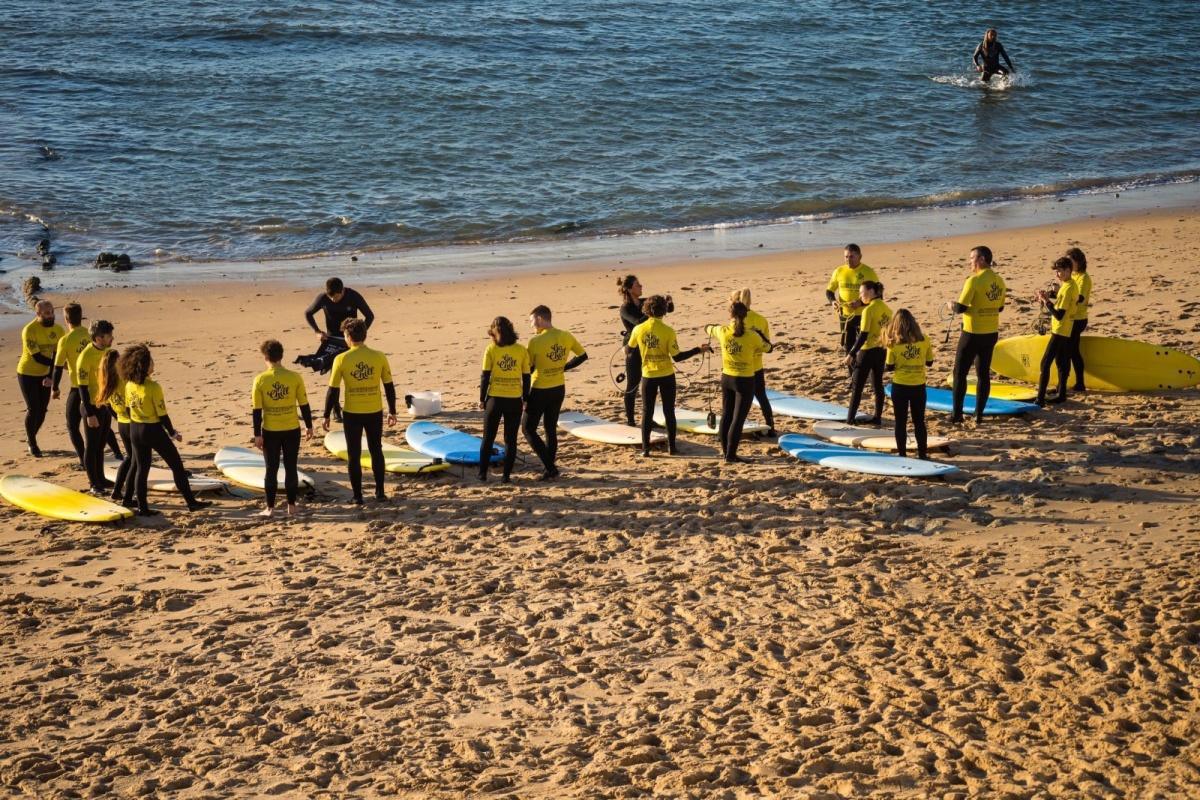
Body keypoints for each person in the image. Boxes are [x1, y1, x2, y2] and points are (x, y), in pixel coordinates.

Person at [119, 344, 212, 516]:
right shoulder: (153, 387)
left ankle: (142, 508)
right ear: (144, 366)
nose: (154, 363)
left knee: (141, 468)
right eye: (151, 361)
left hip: (135, 428)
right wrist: (172, 433)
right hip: (152, 430)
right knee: (176, 465)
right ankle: (191, 503)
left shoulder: (129, 385)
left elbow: (127, 409)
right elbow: (162, 415)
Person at [323, 318, 397, 504]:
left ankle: (357, 496)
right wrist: (392, 410)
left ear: (347, 336)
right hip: (374, 411)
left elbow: (333, 390)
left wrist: (326, 415)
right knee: (376, 450)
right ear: (365, 335)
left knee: (354, 454)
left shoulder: (341, 359)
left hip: (352, 414)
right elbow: (388, 386)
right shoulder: (379, 356)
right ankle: (380, 493)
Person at [628, 296, 709, 457]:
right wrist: (698, 350)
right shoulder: (668, 331)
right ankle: (672, 448)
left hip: (648, 375)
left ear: (647, 310)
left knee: (647, 411)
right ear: (664, 311)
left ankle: (645, 449)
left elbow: (630, 349)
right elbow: (677, 357)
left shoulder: (638, 329)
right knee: (668, 411)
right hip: (666, 376)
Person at [523, 306, 588, 480]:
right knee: (549, 428)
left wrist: (523, 394)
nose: (531, 325)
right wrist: (563, 367)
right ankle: (549, 467)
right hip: (558, 387)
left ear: (539, 319)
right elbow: (582, 356)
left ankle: (550, 467)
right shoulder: (566, 335)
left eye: (531, 321)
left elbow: (529, 369)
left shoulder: (535, 342)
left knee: (528, 428)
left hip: (540, 389)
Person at [252, 340, 314, 517]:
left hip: (270, 431)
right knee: (291, 467)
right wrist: (309, 426)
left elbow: (257, 411)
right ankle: (292, 506)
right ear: (282, 356)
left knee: (271, 469)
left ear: (265, 357)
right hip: (292, 429)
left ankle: (270, 508)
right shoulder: (294, 377)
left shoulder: (260, 380)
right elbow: (304, 404)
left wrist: (257, 434)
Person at [947, 246, 1007, 424]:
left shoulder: (973, 281)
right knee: (983, 374)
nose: (969, 261)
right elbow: (1000, 307)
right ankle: (978, 414)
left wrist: (951, 304)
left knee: (960, 373)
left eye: (971, 258)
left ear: (981, 259)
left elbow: (961, 308)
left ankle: (957, 415)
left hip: (972, 334)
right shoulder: (999, 280)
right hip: (991, 333)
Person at [706, 302, 771, 463]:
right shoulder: (752, 336)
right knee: (738, 419)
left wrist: (712, 327)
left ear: (730, 315)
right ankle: (731, 455)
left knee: (726, 415)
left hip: (727, 378)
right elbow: (769, 348)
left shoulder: (722, 331)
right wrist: (760, 334)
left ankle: (725, 452)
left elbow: (707, 327)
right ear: (745, 316)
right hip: (745, 381)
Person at [305, 278, 374, 422]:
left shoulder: (353, 296)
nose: (333, 299)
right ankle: (336, 409)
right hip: (332, 341)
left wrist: (359, 335)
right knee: (334, 377)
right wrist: (317, 331)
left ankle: (357, 405)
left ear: (342, 291)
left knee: (354, 374)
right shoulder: (323, 298)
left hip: (351, 342)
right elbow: (308, 313)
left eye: (335, 296)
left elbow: (370, 316)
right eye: (330, 297)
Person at [479, 316, 530, 482]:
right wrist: (525, 398)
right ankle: (506, 476)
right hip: (514, 399)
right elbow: (526, 377)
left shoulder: (491, 349)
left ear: (493, 332)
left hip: (495, 400)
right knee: (510, 440)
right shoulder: (521, 350)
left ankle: (482, 474)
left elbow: (485, 376)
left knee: (488, 438)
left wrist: (482, 398)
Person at [617, 275, 673, 428]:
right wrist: (651, 311)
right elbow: (637, 323)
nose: (641, 286)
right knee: (633, 385)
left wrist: (667, 302)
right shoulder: (625, 308)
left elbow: (666, 310)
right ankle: (630, 421)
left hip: (648, 345)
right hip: (633, 348)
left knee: (649, 385)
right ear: (629, 289)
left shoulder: (643, 302)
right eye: (637, 285)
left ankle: (648, 418)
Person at [883, 309, 934, 459]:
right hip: (918, 387)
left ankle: (902, 454)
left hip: (900, 387)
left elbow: (890, 367)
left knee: (900, 422)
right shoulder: (924, 339)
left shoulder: (893, 344)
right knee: (919, 421)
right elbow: (930, 362)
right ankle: (923, 455)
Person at [16, 300, 64, 457]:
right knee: (33, 408)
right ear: (38, 314)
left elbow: (57, 354)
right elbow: (37, 357)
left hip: (45, 373)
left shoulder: (58, 330)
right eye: (47, 313)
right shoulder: (29, 330)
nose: (51, 316)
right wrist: (58, 366)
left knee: (42, 410)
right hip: (27, 373)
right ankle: (33, 443)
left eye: (52, 312)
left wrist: (51, 376)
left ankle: (31, 437)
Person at [825, 245, 880, 374]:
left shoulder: (868, 272)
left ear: (860, 256)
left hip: (864, 315)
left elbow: (879, 294)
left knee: (864, 346)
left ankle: (866, 371)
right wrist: (833, 302)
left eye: (852, 257)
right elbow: (829, 291)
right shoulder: (839, 271)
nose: (848, 260)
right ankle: (853, 375)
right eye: (846, 257)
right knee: (848, 346)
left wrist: (860, 302)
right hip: (845, 315)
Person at [76, 321, 116, 495]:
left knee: (100, 446)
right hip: (91, 406)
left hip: (105, 404)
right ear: (98, 338)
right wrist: (90, 414)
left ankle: (101, 479)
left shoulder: (108, 352)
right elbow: (82, 388)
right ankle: (93, 483)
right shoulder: (85, 357)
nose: (112, 338)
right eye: (109, 336)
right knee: (91, 447)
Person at [845, 281, 892, 426]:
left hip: (867, 352)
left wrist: (851, 353)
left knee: (857, 386)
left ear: (871, 292)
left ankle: (850, 419)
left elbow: (863, 334)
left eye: (862, 292)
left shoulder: (868, 310)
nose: (860, 295)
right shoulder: (887, 309)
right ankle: (877, 417)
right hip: (881, 351)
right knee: (877, 384)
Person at [730, 288, 776, 436]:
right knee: (761, 396)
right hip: (756, 366)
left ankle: (732, 429)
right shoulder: (761, 320)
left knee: (737, 401)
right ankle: (771, 427)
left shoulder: (735, 320)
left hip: (738, 369)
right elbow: (767, 346)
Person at [1035, 257, 1079, 406]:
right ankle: (1061, 394)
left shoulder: (1068, 288)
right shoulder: (1069, 285)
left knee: (1045, 364)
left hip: (1060, 330)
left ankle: (1040, 399)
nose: (1057, 275)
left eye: (1059, 271)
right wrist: (1052, 295)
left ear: (1068, 271)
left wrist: (1045, 301)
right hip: (1066, 329)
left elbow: (1059, 315)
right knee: (1062, 362)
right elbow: (1066, 301)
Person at [53, 302, 90, 467]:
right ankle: (118, 453)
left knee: (72, 425)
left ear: (66, 318)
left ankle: (83, 459)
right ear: (81, 316)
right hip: (96, 387)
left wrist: (55, 388)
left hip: (78, 388)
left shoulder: (65, 340)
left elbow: (58, 367)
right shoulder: (91, 334)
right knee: (97, 423)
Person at [97, 349, 136, 507]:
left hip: (121, 423)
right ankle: (127, 496)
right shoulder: (124, 381)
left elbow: (110, 408)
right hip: (132, 423)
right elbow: (130, 405)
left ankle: (117, 490)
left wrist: (120, 418)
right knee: (136, 460)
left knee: (129, 457)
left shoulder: (106, 382)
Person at [1066, 247, 1091, 393]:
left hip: (1078, 319)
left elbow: (1080, 299)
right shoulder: (1072, 275)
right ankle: (1077, 383)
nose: (1068, 263)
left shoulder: (1084, 278)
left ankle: (1079, 383)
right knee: (1072, 351)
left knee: (1072, 351)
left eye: (1071, 261)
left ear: (1079, 262)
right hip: (1070, 318)